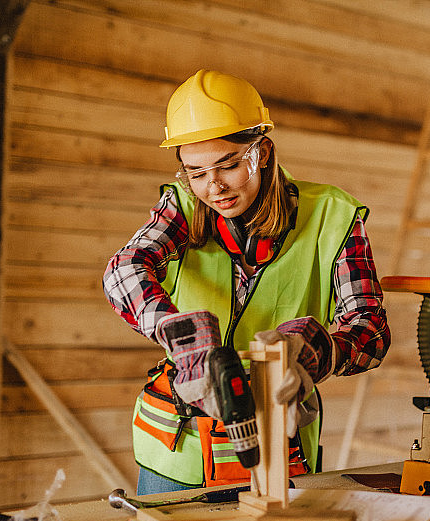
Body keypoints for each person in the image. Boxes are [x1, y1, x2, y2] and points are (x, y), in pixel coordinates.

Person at [103, 69, 390, 495]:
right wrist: (181, 337)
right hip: (176, 456)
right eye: (195, 172)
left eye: (228, 165)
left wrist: (313, 351)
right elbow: (125, 269)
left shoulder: (332, 217)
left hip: (280, 451)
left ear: (263, 152)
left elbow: (370, 331)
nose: (213, 186)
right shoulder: (182, 208)